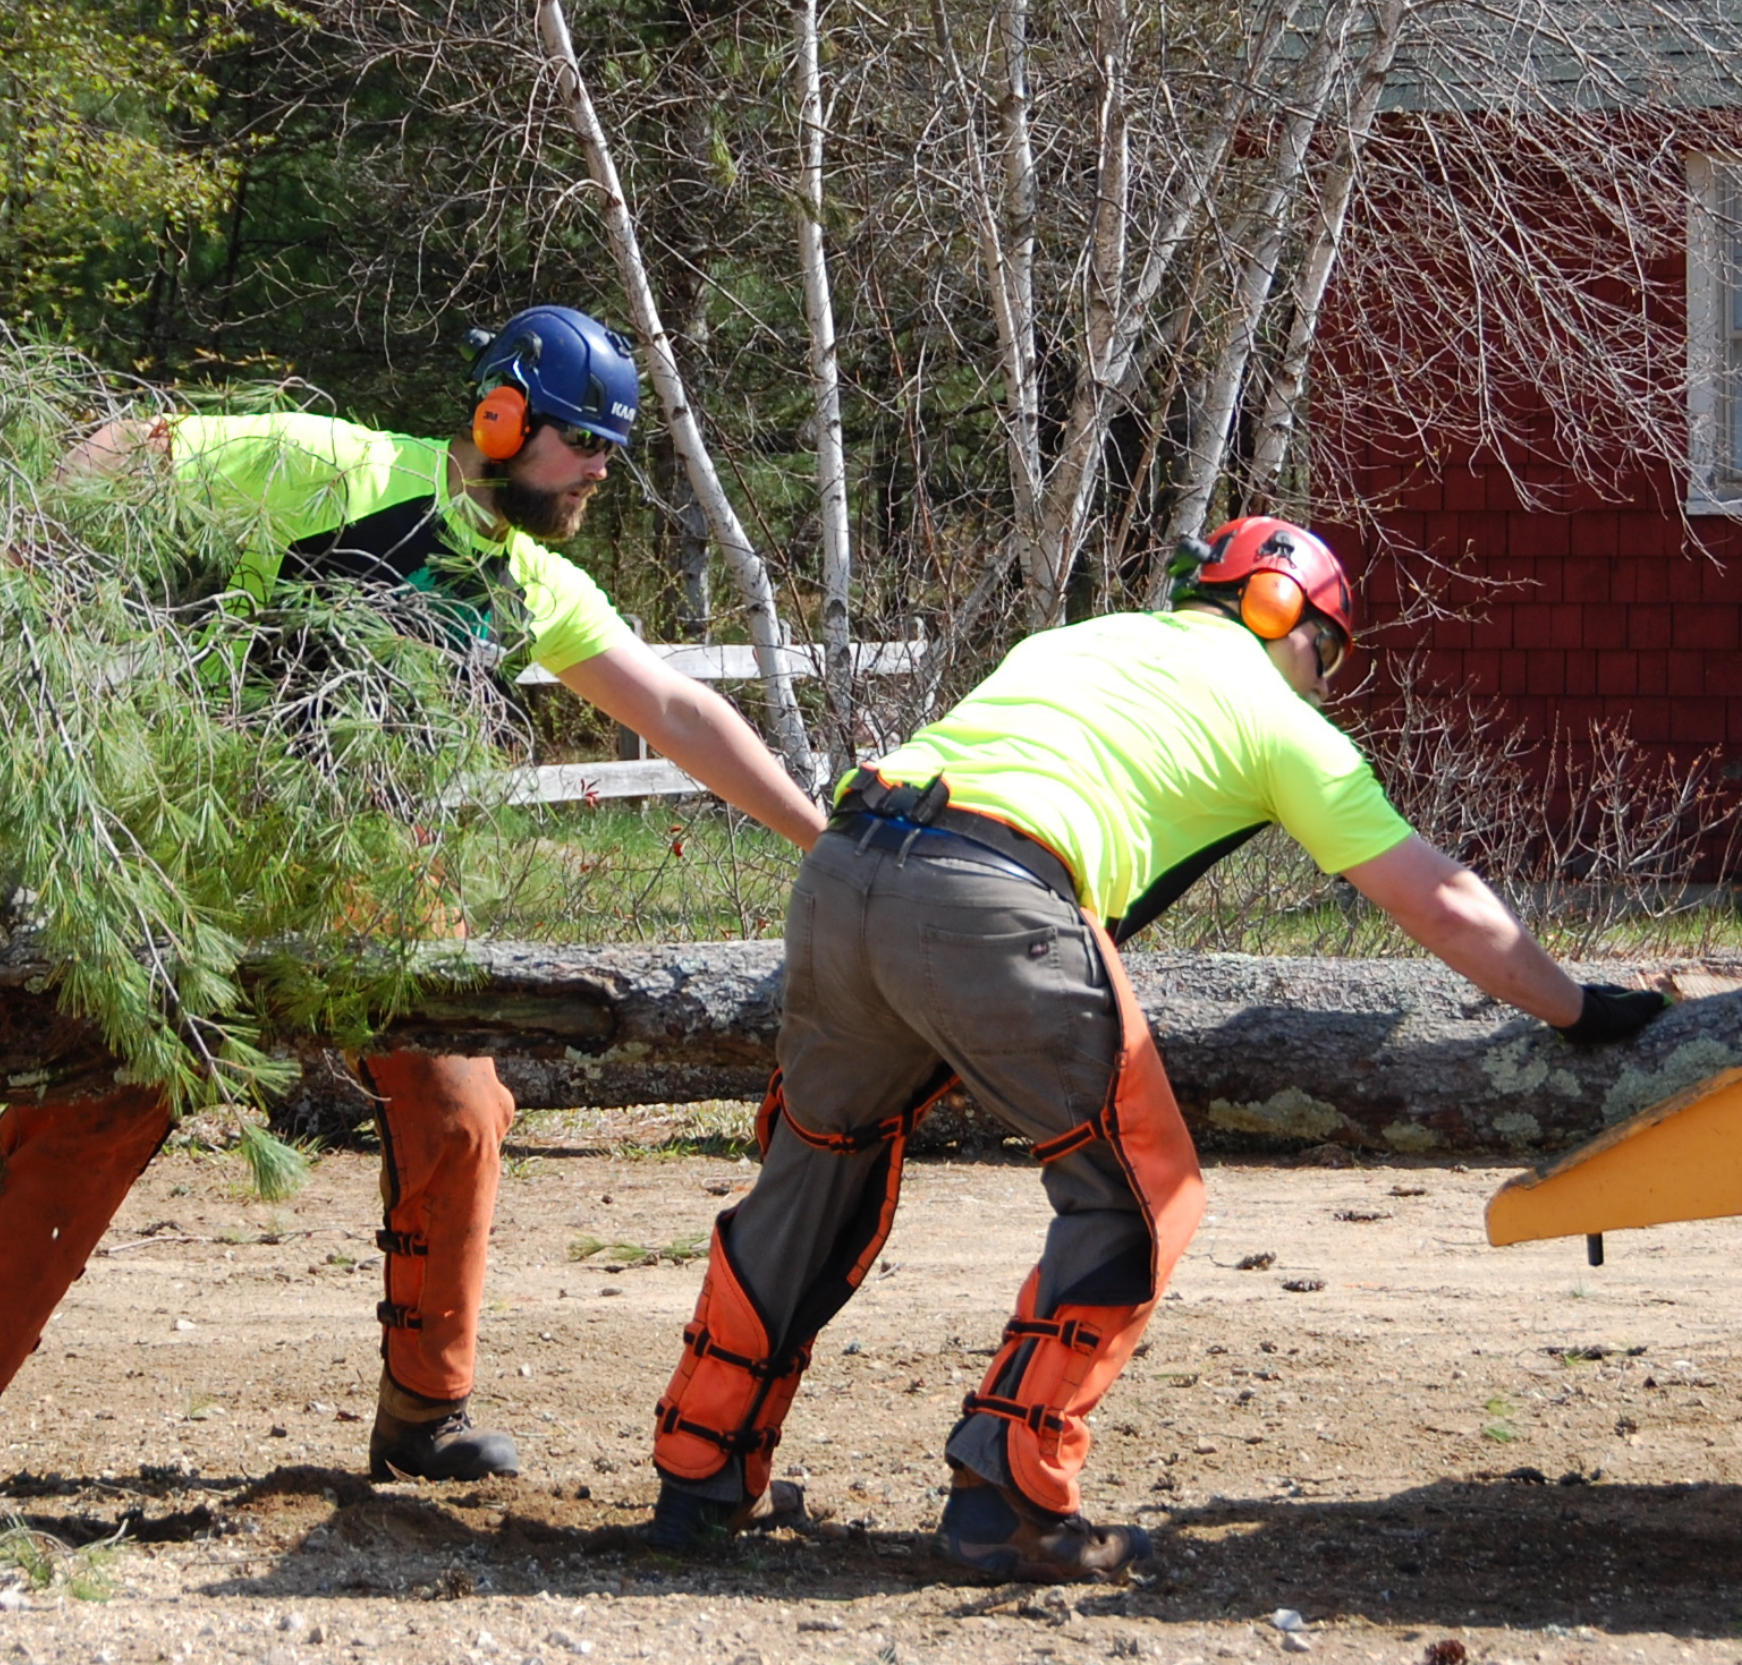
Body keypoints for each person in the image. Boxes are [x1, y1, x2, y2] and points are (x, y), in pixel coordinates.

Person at [0, 306, 825, 1491]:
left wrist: (819, 839)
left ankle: (425, 1412)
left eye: (611, 450)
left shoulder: (535, 584)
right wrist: (2, 573)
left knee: (462, 1109)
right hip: (197, 855)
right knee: (95, 1110)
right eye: (582, 441)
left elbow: (678, 712)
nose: (600, 472)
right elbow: (126, 446)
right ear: (501, 414)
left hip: (378, 879)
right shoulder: (335, 468)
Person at [641, 515, 1669, 1583]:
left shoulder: (1081, 641)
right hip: (997, 891)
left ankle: (697, 1477)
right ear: (1299, 625)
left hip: (850, 858)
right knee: (1142, 1199)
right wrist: (1576, 1009)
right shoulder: (1283, 723)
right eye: (1328, 655)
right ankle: (1008, 1503)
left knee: (816, 1169)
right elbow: (1447, 903)